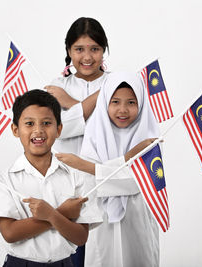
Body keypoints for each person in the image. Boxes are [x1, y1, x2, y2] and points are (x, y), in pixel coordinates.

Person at [56, 72, 161, 267]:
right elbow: (89, 183)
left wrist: (85, 165)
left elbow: (136, 182)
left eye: (131, 102)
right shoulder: (95, 133)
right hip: (101, 219)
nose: (123, 110)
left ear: (141, 103)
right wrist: (128, 160)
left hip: (138, 219)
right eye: (115, 102)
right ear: (105, 102)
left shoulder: (149, 136)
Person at [0, 89, 102, 267]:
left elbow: (81, 238)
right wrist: (61, 213)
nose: (38, 130)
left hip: (64, 263)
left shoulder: (76, 176)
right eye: (29, 123)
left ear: (59, 129)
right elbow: (9, 233)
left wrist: (51, 215)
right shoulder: (3, 180)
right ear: (15, 130)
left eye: (47, 123)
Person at [44, 17, 110, 267]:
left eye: (95, 49)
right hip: (67, 186)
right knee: (67, 256)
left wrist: (69, 103)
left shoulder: (115, 85)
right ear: (68, 50)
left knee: (103, 256)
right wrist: (97, 108)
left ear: (104, 50)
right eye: (79, 49)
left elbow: (115, 127)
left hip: (104, 184)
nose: (87, 57)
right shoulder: (57, 86)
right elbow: (61, 129)